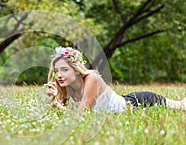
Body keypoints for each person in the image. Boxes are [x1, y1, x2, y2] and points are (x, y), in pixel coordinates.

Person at [44, 47, 186, 113]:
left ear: (76, 69)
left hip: (138, 103)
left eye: (64, 70)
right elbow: (62, 116)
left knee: (182, 107)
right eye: (56, 71)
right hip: (126, 99)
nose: (59, 75)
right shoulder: (65, 87)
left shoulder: (92, 78)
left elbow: (83, 113)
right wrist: (53, 100)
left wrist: (58, 106)